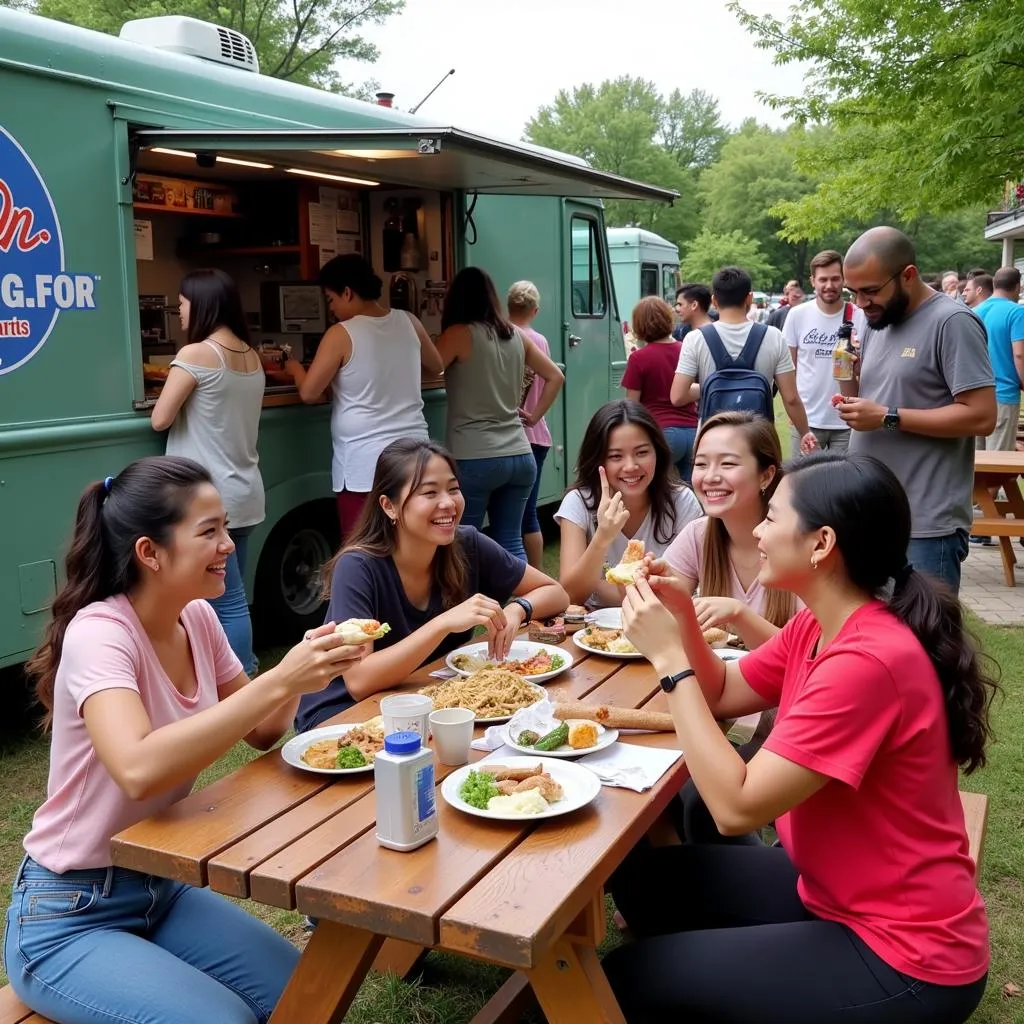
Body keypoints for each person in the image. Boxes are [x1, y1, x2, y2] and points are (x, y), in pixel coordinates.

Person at [605, 452, 994, 1023]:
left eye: (773, 517)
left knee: (625, 981)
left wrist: (668, 659)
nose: (758, 530)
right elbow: (724, 691)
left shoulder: (868, 661)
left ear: (821, 544)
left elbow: (735, 806)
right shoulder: (821, 621)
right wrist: (682, 613)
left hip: (905, 956)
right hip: (833, 889)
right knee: (648, 883)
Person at [4, 456, 368, 1024]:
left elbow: (264, 728)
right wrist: (280, 677)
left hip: (161, 886)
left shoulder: (196, 617)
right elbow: (138, 767)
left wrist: (315, 661)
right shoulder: (100, 633)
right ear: (150, 552)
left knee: (305, 994)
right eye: (210, 532)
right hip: (70, 912)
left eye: (225, 526)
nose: (229, 543)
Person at [294, 438, 569, 732]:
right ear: (389, 506)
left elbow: (556, 593)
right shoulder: (359, 566)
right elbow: (360, 680)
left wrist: (518, 609)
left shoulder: (467, 544)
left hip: (427, 704)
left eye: (453, 488)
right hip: (343, 718)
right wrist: (443, 624)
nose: (448, 503)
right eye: (429, 493)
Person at [836, 227, 996, 592]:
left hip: (925, 524)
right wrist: (846, 374)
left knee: (925, 642)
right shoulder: (877, 318)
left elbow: (983, 416)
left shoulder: (952, 322)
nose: (860, 303)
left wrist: (889, 416)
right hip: (872, 514)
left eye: (870, 290)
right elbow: (868, 401)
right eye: (854, 292)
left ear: (908, 275)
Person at [151, 269, 265, 675]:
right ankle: (227, 674)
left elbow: (160, 418)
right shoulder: (251, 355)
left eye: (181, 305)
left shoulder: (196, 354)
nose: (179, 313)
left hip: (211, 500)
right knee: (231, 593)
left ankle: (242, 678)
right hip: (246, 490)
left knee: (226, 598)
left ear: (200, 305)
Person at [284, 254, 444, 540]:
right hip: (414, 456)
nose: (331, 308)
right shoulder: (409, 322)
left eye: (331, 299)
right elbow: (436, 366)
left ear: (347, 292)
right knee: (411, 544)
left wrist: (294, 368)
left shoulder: (341, 333)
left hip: (364, 466)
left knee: (365, 551)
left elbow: (309, 392)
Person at [436, 267, 564, 561]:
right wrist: (533, 416)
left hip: (474, 455)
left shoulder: (458, 334)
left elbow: (426, 368)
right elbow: (555, 376)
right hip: (519, 453)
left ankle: (468, 605)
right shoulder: (516, 335)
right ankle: (520, 605)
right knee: (510, 540)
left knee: (463, 541)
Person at [664, 412, 797, 650]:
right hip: (720, 683)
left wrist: (740, 615)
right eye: (701, 464)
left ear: (766, 475)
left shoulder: (797, 543)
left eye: (728, 464)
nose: (710, 477)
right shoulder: (698, 535)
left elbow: (813, 651)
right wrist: (659, 589)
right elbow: (662, 621)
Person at [555, 400, 702, 609]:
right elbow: (569, 595)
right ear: (599, 460)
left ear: (657, 453)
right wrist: (602, 537)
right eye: (615, 456)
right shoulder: (578, 502)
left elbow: (679, 591)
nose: (631, 466)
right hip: (594, 631)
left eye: (642, 452)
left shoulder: (681, 502)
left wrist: (599, 585)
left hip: (660, 626)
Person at [670, 266, 817, 456]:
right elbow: (791, 398)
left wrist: (709, 386)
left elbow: (678, 396)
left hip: (712, 442)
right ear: (749, 298)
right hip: (758, 441)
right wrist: (805, 432)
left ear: (714, 300)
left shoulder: (695, 338)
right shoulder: (773, 337)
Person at [783, 250, 868, 456]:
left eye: (835, 279)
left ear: (844, 280)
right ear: (813, 281)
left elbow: (870, 370)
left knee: (846, 485)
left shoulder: (861, 316)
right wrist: (793, 409)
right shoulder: (797, 315)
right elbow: (788, 370)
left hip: (848, 420)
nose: (829, 285)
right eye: (823, 279)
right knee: (804, 483)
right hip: (807, 421)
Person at [622, 296, 700, 481]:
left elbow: (632, 405)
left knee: (658, 492)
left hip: (661, 432)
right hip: (693, 431)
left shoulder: (638, 358)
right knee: (691, 497)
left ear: (639, 326)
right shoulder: (686, 350)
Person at [507, 280, 554, 569]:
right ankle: (536, 574)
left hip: (511, 434)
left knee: (511, 517)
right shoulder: (541, 341)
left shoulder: (505, 337)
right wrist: (535, 415)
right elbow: (550, 380)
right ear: (535, 310)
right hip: (537, 434)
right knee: (529, 514)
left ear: (508, 306)